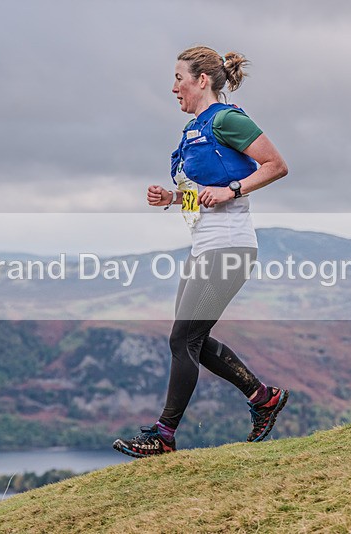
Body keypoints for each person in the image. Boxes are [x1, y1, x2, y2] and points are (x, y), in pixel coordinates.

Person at [113, 45, 289, 458]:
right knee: (192, 339)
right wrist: (174, 198)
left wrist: (230, 189)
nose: (173, 87)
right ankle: (263, 397)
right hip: (205, 246)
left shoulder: (227, 119)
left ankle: (163, 435)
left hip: (229, 247)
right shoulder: (196, 128)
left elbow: (276, 165)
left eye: (179, 78)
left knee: (182, 340)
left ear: (201, 80)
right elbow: (205, 197)